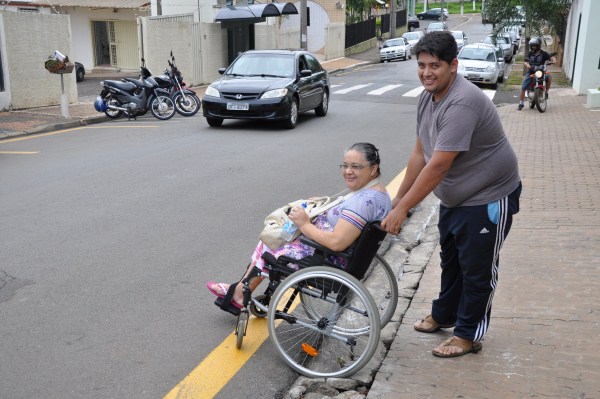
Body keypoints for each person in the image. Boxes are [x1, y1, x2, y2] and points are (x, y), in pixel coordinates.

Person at [381, 31, 522, 358]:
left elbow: (439, 165)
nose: (427, 73)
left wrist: (403, 210)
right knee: (452, 261)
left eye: (435, 66)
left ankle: (468, 334)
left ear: (453, 66)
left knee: (478, 268)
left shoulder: (462, 102)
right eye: (422, 65)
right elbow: (419, 155)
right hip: (456, 198)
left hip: (489, 196)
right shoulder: (427, 97)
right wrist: (397, 202)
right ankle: (445, 314)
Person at [207, 142, 392, 316]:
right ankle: (240, 291)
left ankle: (239, 293)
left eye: (356, 167)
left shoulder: (364, 202)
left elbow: (337, 242)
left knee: (272, 240)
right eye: (345, 166)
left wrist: (304, 224)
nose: (348, 171)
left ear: (373, 168)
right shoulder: (378, 194)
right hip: (338, 256)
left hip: (327, 260)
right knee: (279, 234)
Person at [517, 37, 556, 110]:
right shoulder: (530, 53)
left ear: (538, 46)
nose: (533, 47)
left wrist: (553, 60)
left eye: (534, 45)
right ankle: (521, 103)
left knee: (549, 77)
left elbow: (551, 57)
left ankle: (546, 92)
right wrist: (527, 65)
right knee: (523, 87)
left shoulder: (544, 54)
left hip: (541, 72)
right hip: (531, 72)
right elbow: (525, 61)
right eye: (532, 46)